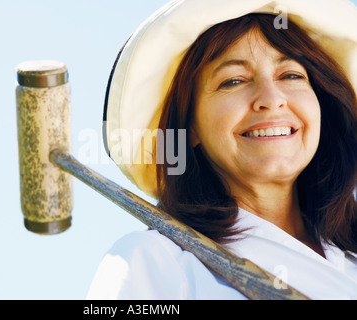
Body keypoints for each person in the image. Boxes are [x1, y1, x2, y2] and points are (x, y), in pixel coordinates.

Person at [87, 0, 357, 299]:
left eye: (290, 75)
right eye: (233, 81)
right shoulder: (154, 261)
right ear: (190, 129)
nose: (271, 98)